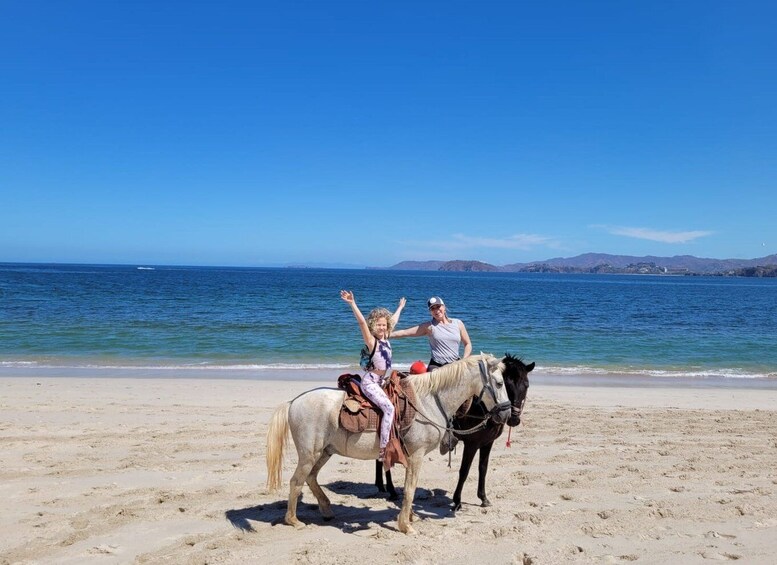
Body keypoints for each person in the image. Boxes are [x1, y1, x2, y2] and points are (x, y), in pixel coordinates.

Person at [340, 290, 405, 462]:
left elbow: (393, 321)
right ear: (372, 326)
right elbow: (361, 323)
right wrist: (352, 303)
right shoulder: (372, 342)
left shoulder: (387, 337)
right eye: (378, 325)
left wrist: (400, 307)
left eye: (384, 325)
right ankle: (383, 450)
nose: (382, 327)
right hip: (370, 383)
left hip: (383, 381)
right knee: (389, 409)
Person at [391, 296, 472, 370]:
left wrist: (464, 360)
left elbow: (467, 344)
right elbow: (405, 332)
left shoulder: (458, 323)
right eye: (432, 308)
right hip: (436, 366)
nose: (436, 310)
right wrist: (386, 335)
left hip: (455, 365)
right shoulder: (429, 326)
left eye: (438, 306)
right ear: (430, 311)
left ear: (444, 307)